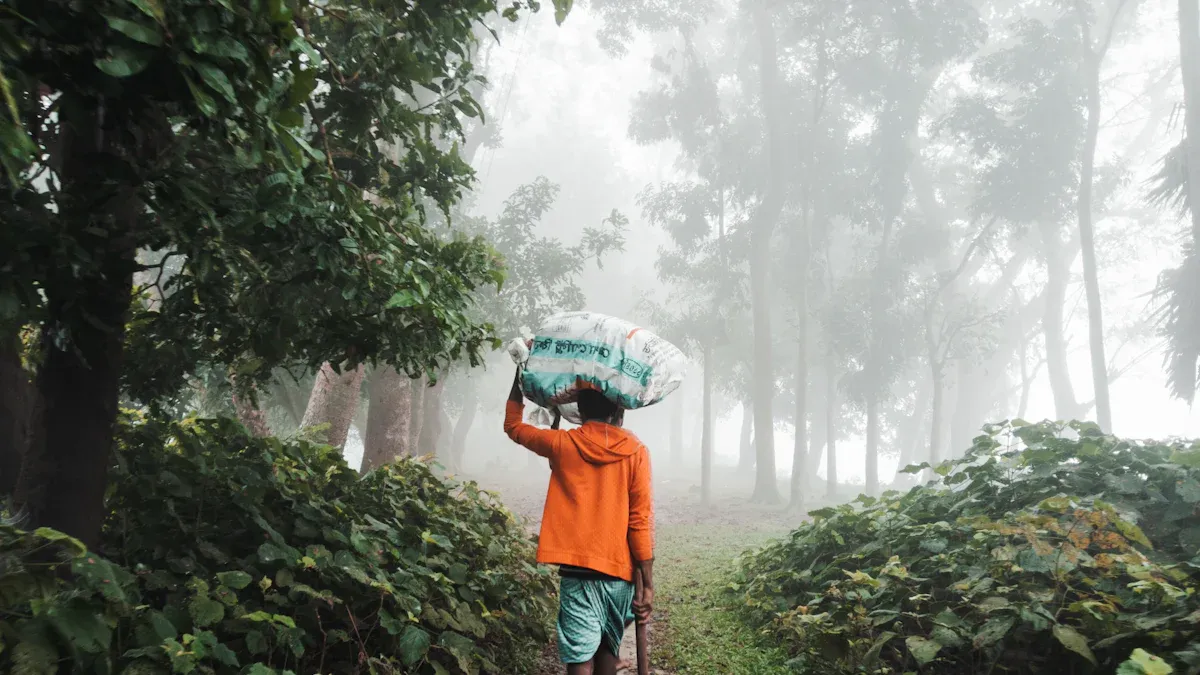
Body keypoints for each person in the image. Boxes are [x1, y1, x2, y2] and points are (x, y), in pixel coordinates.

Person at [504, 370, 654, 675]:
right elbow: (640, 520)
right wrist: (648, 581)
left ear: (580, 410)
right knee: (606, 650)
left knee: (579, 656)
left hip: (577, 570)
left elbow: (514, 426)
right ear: (616, 410)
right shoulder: (636, 452)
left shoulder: (562, 444)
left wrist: (519, 374)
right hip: (618, 571)